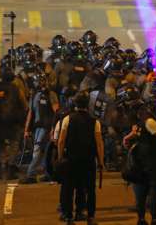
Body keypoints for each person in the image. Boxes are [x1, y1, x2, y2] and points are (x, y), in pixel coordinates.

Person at [57, 90, 104, 225]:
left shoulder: (67, 119)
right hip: (88, 160)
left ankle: (69, 217)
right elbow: (99, 143)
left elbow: (61, 140)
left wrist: (60, 158)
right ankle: (90, 216)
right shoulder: (94, 122)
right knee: (89, 189)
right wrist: (100, 161)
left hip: (71, 159)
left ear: (75, 103)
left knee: (68, 188)